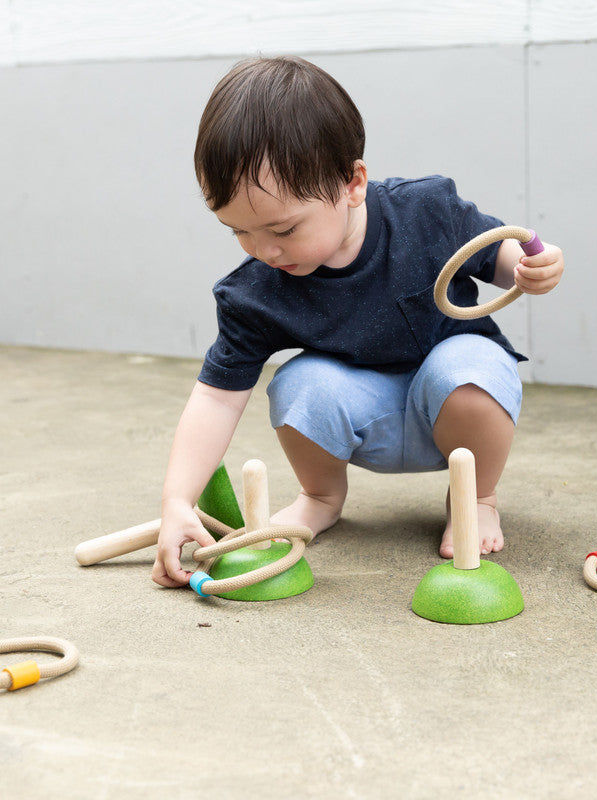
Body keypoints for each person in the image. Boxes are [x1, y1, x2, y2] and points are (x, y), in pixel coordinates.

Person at [152, 56, 565, 588]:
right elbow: (216, 398)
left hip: (455, 405)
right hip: (366, 417)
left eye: (283, 229)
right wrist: (176, 500)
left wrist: (529, 266)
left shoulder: (424, 211)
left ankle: (477, 498)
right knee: (299, 383)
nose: (264, 250)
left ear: (352, 183)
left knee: (468, 366)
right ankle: (321, 496)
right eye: (239, 231)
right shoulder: (253, 293)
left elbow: (497, 252)